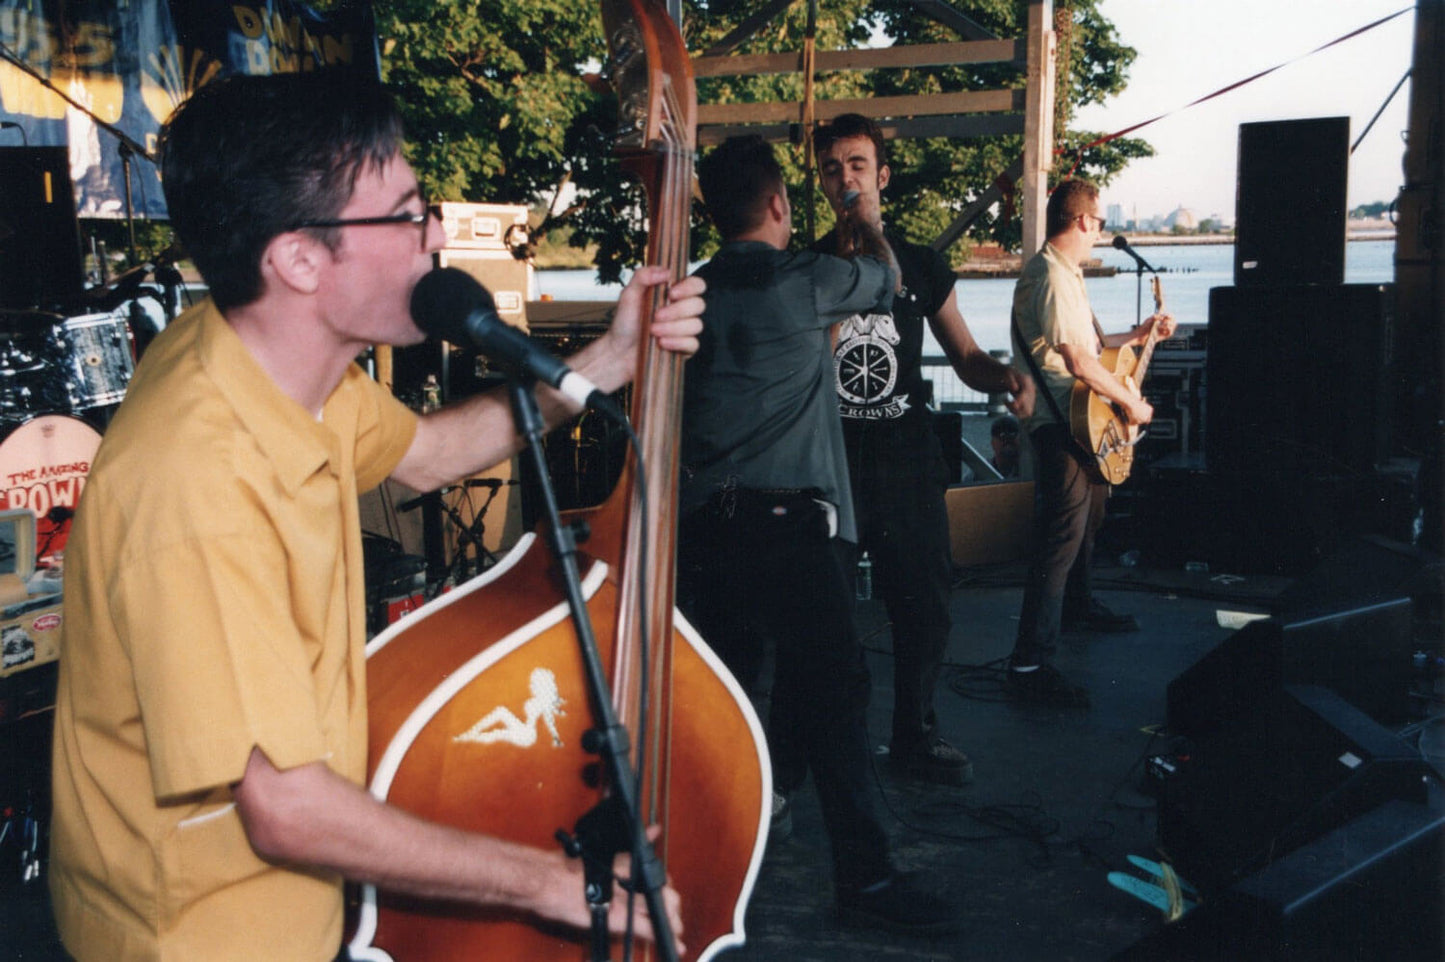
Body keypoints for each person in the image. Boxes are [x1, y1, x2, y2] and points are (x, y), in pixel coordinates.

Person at [47, 71, 702, 962]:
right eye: (405, 214)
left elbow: (428, 454)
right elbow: (287, 810)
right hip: (201, 937)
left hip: (298, 915)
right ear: (299, 259)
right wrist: (560, 884)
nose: (436, 234)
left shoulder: (274, 363)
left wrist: (605, 362)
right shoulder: (194, 484)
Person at [674, 134, 956, 935]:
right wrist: (859, 215)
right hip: (786, 527)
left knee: (726, 701)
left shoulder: (689, 294)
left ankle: (706, 866)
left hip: (704, 528)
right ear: (777, 205)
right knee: (838, 697)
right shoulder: (805, 280)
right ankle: (866, 886)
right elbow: (890, 278)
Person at [812, 114, 1034, 785]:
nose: (844, 178)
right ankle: (837, 746)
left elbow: (963, 356)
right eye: (831, 168)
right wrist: (847, 277)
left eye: (855, 164)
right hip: (836, 469)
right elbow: (810, 368)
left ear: (881, 175)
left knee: (925, 609)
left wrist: (1003, 378)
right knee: (828, 619)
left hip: (907, 463)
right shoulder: (811, 265)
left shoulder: (924, 264)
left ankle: (915, 735)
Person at [1005, 178, 1175, 707]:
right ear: (1082, 221)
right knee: (1061, 536)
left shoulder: (1067, 275)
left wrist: (1141, 334)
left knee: (1090, 520)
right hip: (1062, 422)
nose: (1101, 232)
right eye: (1099, 223)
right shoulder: (1052, 276)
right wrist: (1133, 405)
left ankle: (1078, 606)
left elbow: (1094, 347)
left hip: (1081, 419)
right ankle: (1030, 662)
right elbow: (1078, 364)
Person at [990, 414, 1022, 478]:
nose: (1007, 439)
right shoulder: (980, 472)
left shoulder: (1032, 471)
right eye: (1001, 436)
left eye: (1012, 434)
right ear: (992, 443)